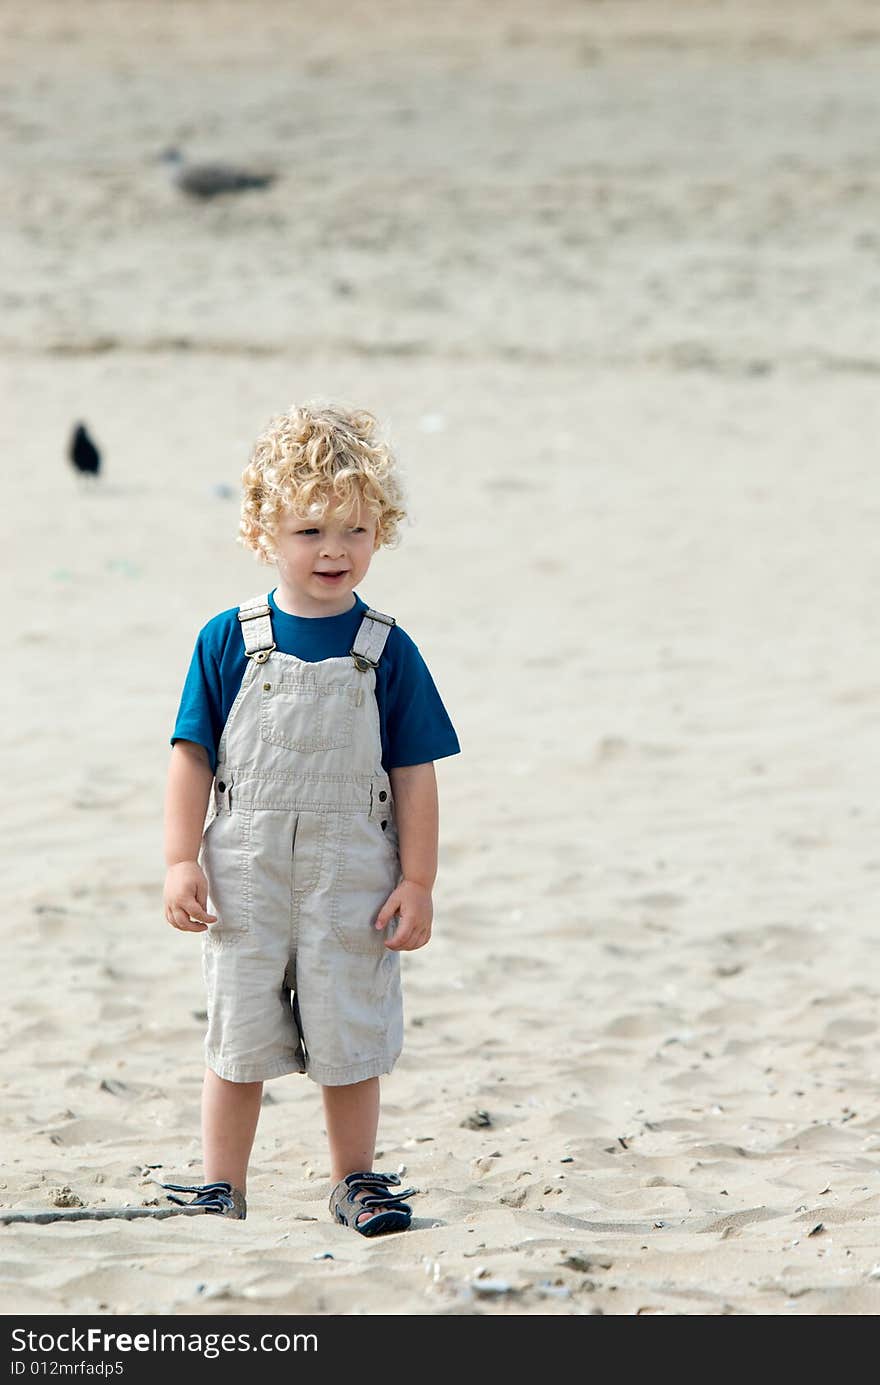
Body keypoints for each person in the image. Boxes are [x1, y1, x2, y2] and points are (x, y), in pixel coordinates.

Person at [161, 402, 460, 1234]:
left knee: (347, 1032)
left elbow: (414, 770)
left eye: (357, 529)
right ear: (264, 530)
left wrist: (420, 879)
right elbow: (191, 755)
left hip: (352, 876)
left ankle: (354, 1177)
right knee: (238, 1033)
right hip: (244, 875)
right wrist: (180, 860)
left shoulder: (386, 648)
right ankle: (223, 1183)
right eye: (311, 530)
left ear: (382, 531)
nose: (335, 550)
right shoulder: (228, 638)